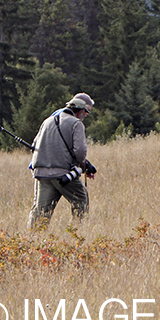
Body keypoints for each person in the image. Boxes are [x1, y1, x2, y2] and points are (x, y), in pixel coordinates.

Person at [27, 93, 96, 229]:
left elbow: (35, 145)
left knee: (40, 212)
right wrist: (82, 165)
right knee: (81, 199)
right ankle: (76, 234)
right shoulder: (76, 124)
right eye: (86, 113)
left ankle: (32, 241)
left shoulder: (47, 121)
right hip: (63, 175)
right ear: (81, 111)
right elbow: (80, 151)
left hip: (42, 174)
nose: (86, 115)